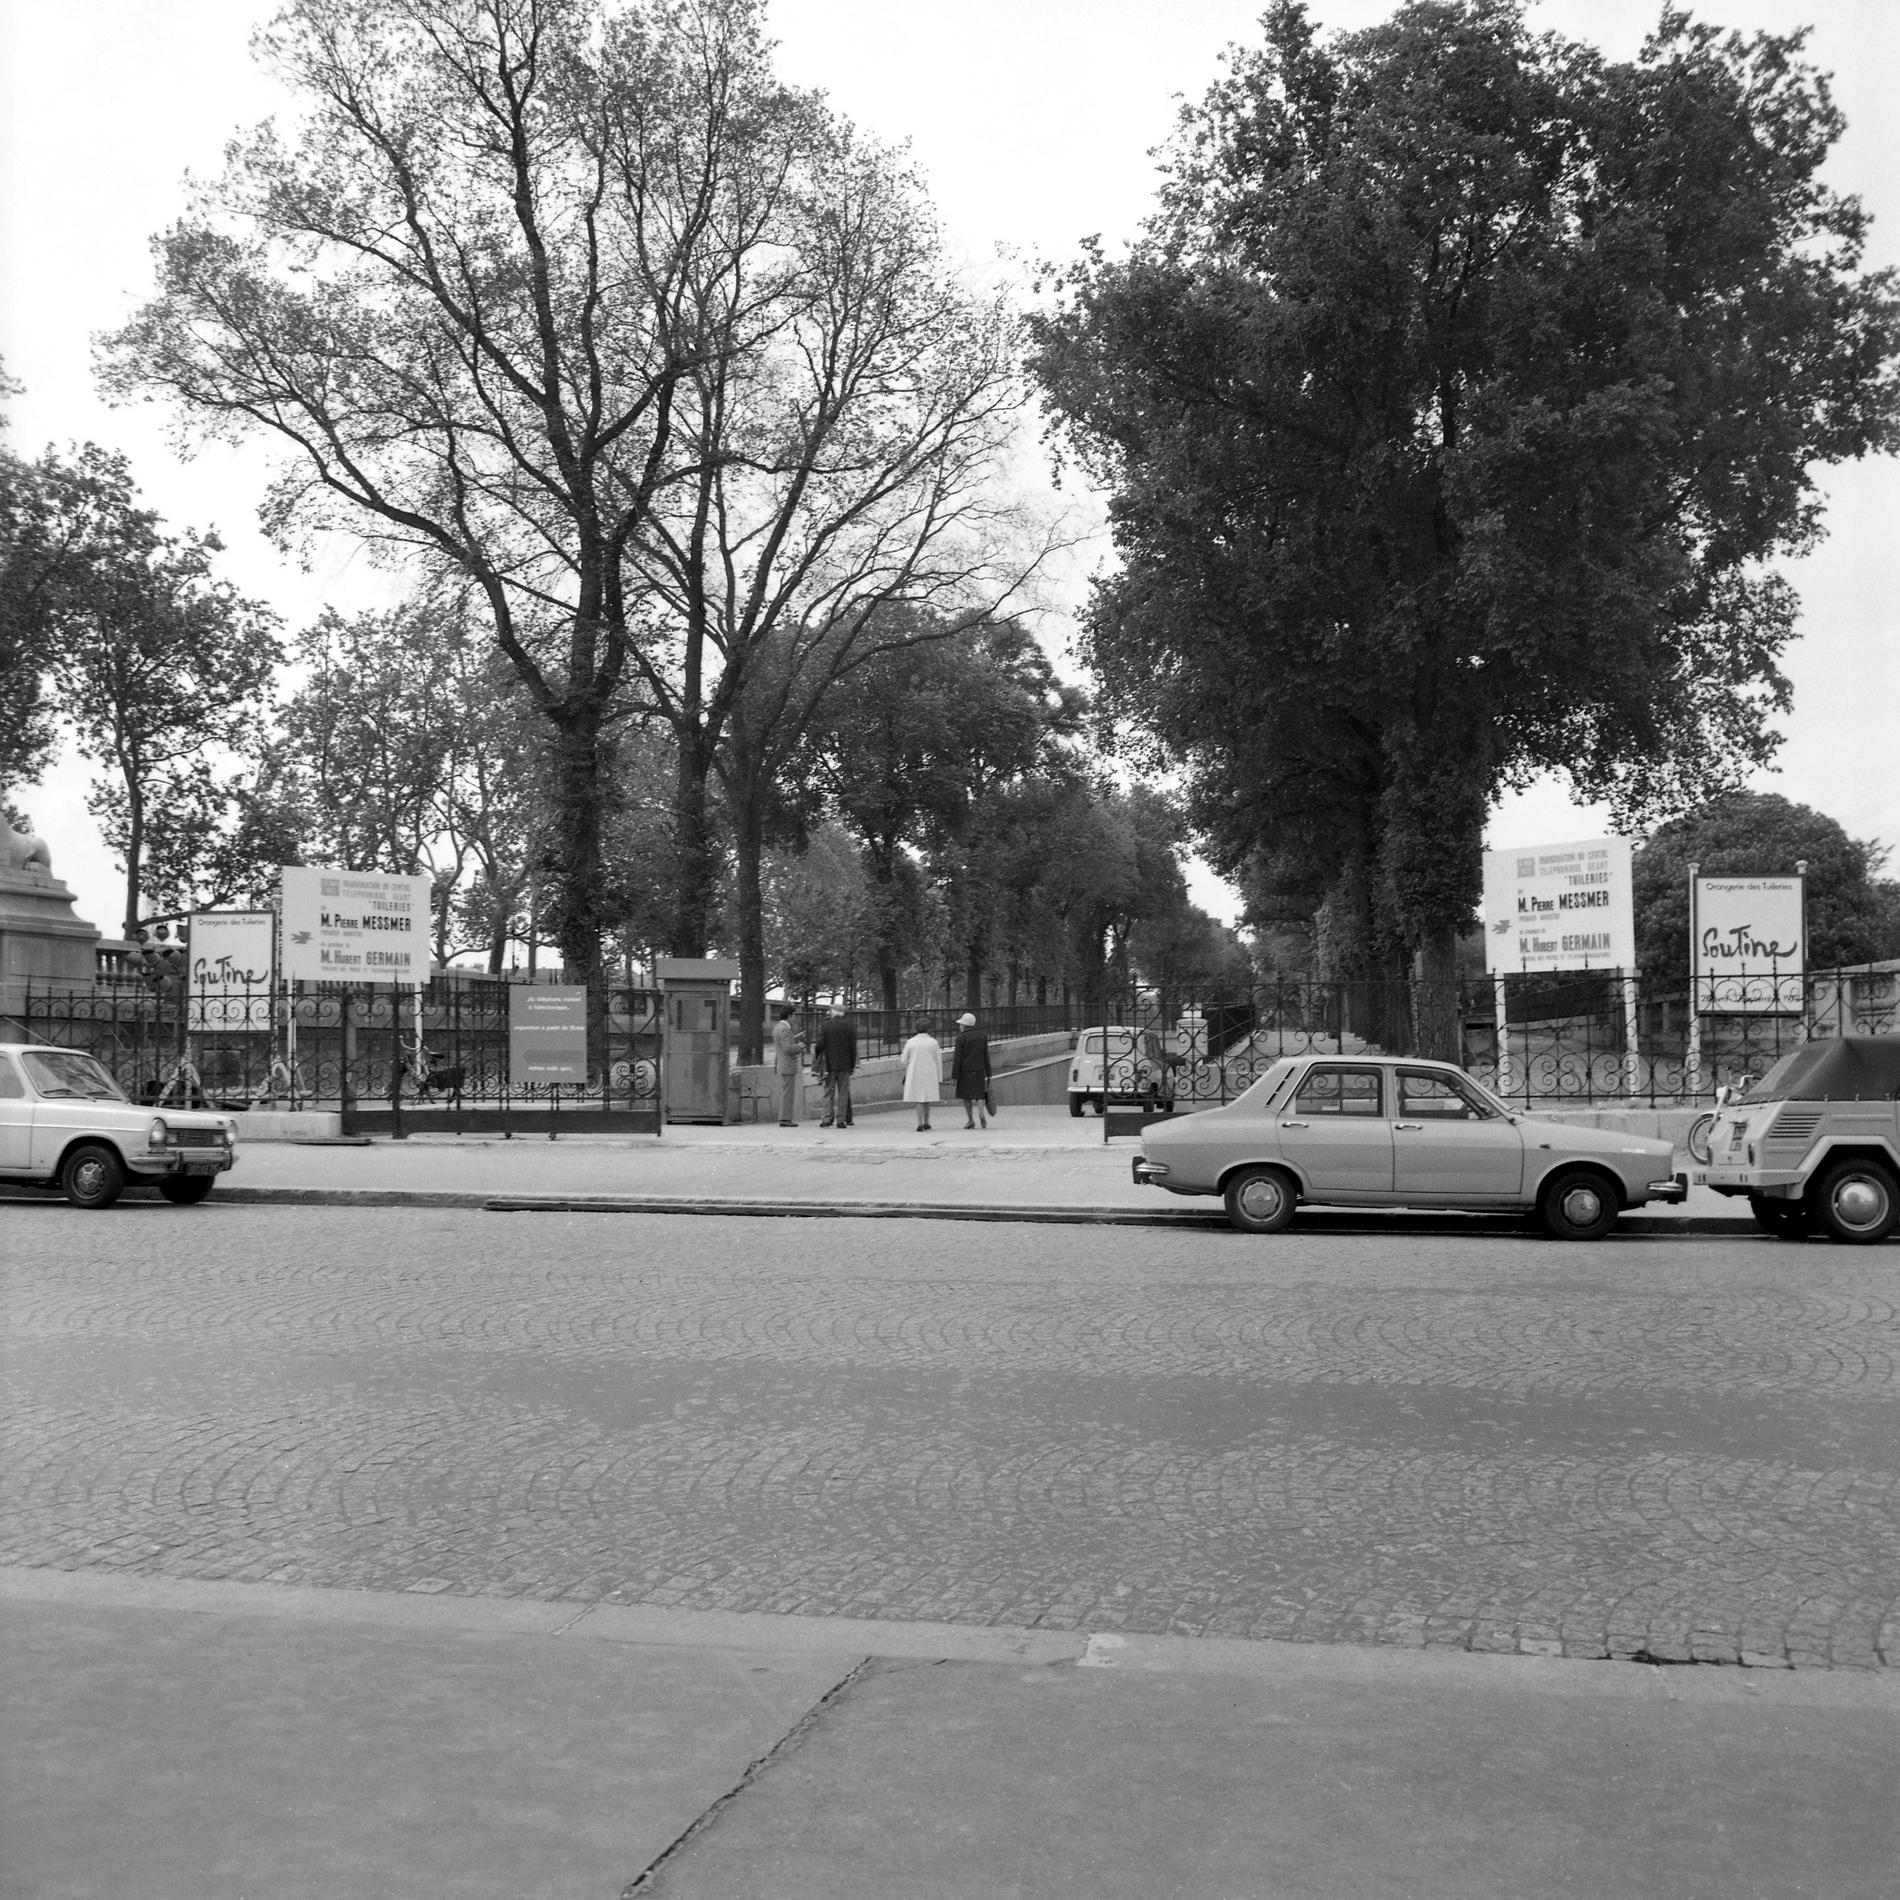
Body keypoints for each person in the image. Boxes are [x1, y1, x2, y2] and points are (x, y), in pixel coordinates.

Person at [814, 1004, 857, 1128]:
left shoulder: (825, 1025)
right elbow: (852, 1048)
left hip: (829, 1064)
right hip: (845, 1064)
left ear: (833, 1012)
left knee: (828, 1092)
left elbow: (819, 1044)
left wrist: (818, 1055)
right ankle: (841, 1120)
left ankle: (827, 1118)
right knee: (843, 1092)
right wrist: (852, 1065)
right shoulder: (849, 1026)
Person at [901, 1015, 944, 1132]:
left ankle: (919, 1122)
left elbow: (903, 1059)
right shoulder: (933, 1042)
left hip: (915, 1072)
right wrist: (940, 1077)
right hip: (930, 1072)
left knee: (918, 1098)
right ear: (929, 1028)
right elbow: (938, 1060)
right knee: (927, 1098)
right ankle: (927, 1121)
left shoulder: (911, 1042)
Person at [951, 1010, 992, 1129]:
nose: (959, 1026)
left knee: (966, 1096)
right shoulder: (982, 1035)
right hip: (979, 1069)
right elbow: (986, 1055)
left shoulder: (961, 1037)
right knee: (979, 1094)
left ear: (964, 1025)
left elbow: (957, 1058)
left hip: (965, 1071)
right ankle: (981, 1113)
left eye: (961, 1024)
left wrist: (954, 1076)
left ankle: (970, 1120)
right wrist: (989, 1073)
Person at [770, 1002, 804, 1127]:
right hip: (787, 1064)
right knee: (788, 1093)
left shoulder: (778, 1027)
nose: (795, 1018)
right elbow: (788, 1048)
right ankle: (785, 1118)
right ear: (789, 1015)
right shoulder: (785, 1029)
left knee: (786, 1091)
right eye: (794, 1015)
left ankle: (785, 1117)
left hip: (782, 1063)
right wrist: (799, 1046)